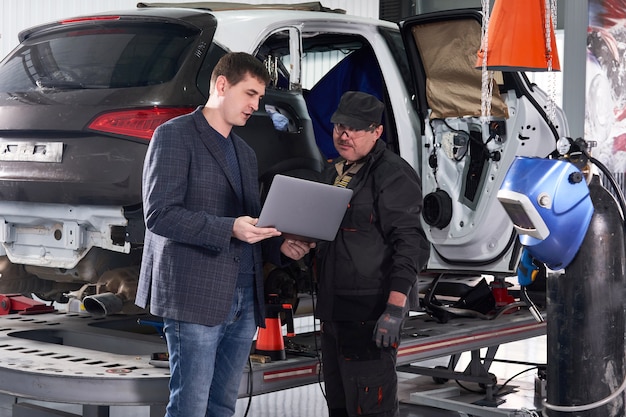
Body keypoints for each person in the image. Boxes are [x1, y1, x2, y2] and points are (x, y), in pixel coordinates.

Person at [135, 52, 314, 417]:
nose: (255, 105)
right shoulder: (174, 136)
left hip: (245, 296)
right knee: (190, 407)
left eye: (260, 98)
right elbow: (159, 215)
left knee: (222, 406)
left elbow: (251, 219)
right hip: (195, 295)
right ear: (221, 85)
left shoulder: (245, 153)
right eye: (250, 94)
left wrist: (281, 243)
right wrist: (228, 228)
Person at [316, 91, 430, 417]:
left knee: (371, 408)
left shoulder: (392, 174)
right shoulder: (333, 173)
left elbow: (411, 245)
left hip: (371, 312)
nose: (343, 134)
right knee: (339, 406)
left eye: (353, 128)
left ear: (376, 131)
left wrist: (395, 309)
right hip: (334, 311)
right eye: (339, 125)